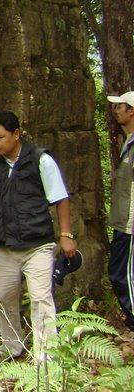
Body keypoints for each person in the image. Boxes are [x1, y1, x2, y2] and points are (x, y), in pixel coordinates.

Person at [0, 111, 77, 360]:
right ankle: (13, 346)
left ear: (16, 134)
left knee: (40, 298)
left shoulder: (40, 160)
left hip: (37, 244)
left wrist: (66, 234)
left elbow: (60, 198)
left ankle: (46, 356)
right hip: (0, 246)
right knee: (0, 298)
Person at [106, 91, 134, 333]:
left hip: (130, 223)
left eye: (120, 107)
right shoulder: (128, 141)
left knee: (121, 273)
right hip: (122, 220)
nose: (116, 111)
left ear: (131, 111)